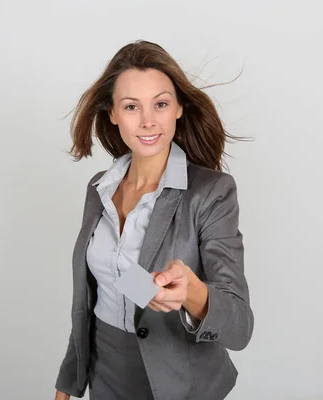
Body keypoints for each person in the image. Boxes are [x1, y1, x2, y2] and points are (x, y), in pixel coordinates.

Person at [54, 40, 254, 400]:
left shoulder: (211, 193)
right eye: (131, 106)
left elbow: (239, 326)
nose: (148, 121)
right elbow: (100, 290)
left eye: (160, 104)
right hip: (107, 374)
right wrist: (69, 379)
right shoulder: (99, 187)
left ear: (178, 108)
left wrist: (192, 294)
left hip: (182, 383)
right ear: (113, 114)